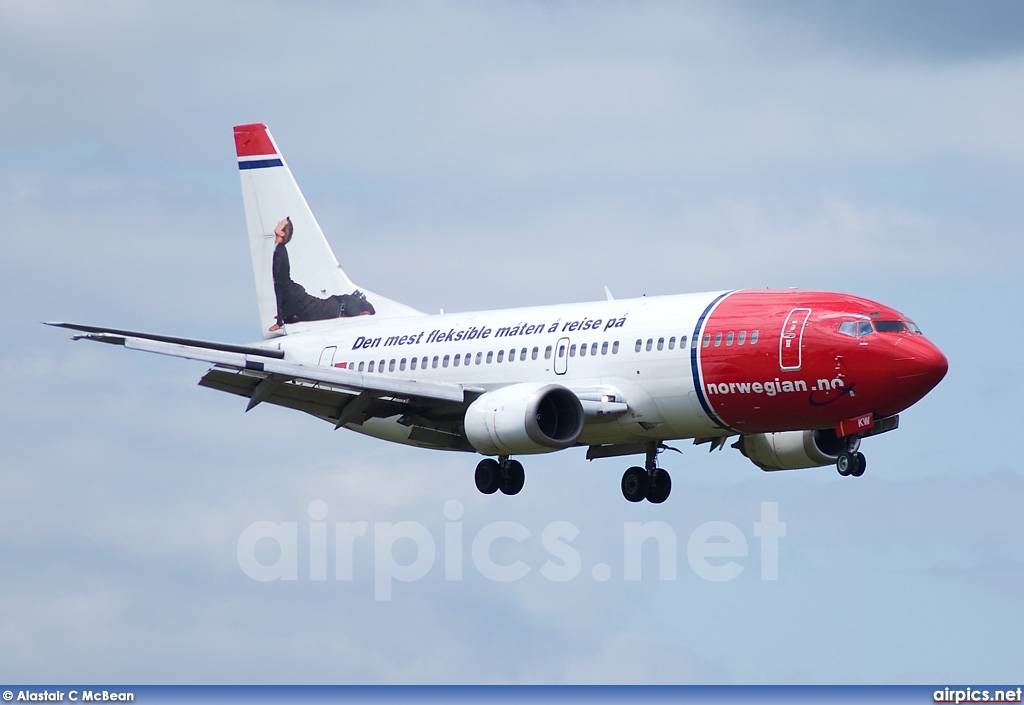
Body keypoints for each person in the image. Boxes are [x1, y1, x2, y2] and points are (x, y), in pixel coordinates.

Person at [268, 217, 375, 332]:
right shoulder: (280, 251)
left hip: (338, 305)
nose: (278, 223)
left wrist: (280, 320)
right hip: (334, 305)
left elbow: (279, 286)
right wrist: (282, 318)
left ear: (282, 233)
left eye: (281, 223)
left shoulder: (280, 252)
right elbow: (280, 286)